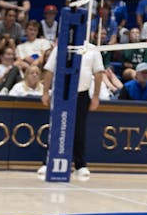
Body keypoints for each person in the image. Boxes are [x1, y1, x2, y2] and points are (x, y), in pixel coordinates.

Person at [39, 32, 105, 181]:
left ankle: (80, 165)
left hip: (81, 95)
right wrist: (45, 92)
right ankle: (48, 162)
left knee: (79, 130)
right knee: (56, 127)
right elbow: (49, 71)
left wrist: (95, 97)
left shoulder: (92, 49)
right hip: (61, 93)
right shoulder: (60, 48)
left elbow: (99, 73)